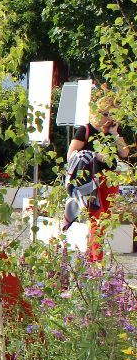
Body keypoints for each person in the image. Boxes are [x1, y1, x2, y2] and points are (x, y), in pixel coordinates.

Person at [68, 95, 129, 262]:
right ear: (100, 112)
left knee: (105, 219)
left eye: (114, 115)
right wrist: (96, 156)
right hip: (90, 180)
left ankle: (91, 258)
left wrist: (115, 134)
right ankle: (97, 260)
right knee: (97, 217)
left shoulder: (113, 131)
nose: (111, 119)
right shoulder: (86, 130)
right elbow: (71, 155)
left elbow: (124, 153)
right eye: (108, 114)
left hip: (110, 179)